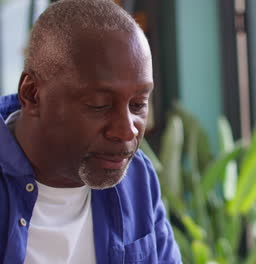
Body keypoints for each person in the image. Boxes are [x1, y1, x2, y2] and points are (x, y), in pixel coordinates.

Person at [0, 0, 181, 263]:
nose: (126, 131)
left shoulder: (137, 178)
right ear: (32, 94)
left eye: (138, 104)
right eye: (99, 105)